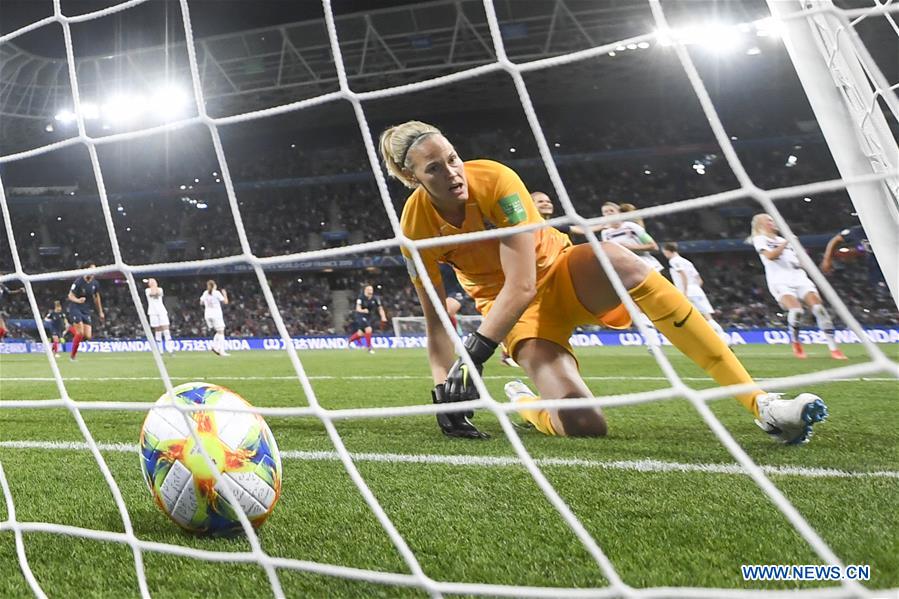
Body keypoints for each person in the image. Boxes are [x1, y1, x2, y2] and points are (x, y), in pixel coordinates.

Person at [381, 120, 827, 444]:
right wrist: (444, 390)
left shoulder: (496, 179)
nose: (452, 173)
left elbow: (523, 282)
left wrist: (475, 355)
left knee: (621, 260)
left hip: (560, 272)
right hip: (516, 317)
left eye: (452, 158)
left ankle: (761, 404)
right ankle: (524, 401)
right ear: (410, 178)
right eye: (434, 169)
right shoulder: (415, 230)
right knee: (584, 424)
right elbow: (436, 320)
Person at [750, 213, 847, 360]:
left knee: (819, 309)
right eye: (769, 220)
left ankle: (834, 349)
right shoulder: (760, 239)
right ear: (761, 225)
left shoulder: (784, 240)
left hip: (799, 278)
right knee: (797, 311)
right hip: (779, 280)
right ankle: (796, 342)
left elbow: (799, 261)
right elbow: (770, 256)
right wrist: (786, 243)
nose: (773, 222)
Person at [600, 201, 664, 347]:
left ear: (618, 213)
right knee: (634, 306)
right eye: (605, 212)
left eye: (611, 211)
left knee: (657, 303)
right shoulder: (606, 233)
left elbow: (653, 246)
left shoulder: (631, 227)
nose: (608, 214)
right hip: (628, 273)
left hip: (648, 267)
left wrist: (631, 248)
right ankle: (652, 341)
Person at [661, 242, 730, 346]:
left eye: (664, 252)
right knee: (707, 317)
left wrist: (684, 292)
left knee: (683, 316)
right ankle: (722, 337)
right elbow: (699, 279)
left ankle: (685, 339)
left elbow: (682, 274)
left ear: (667, 251)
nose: (664, 254)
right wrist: (695, 289)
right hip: (697, 290)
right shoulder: (687, 262)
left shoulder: (674, 261)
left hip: (687, 291)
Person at [66, 263, 104, 361]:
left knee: (87, 336)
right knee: (80, 333)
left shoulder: (95, 284)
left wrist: (100, 312)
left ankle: (70, 328)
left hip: (86, 310)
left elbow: (97, 298)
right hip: (75, 308)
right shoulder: (78, 281)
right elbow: (70, 296)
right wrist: (78, 300)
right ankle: (72, 357)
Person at [347, 284, 387, 354]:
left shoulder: (375, 298)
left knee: (360, 333)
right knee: (368, 329)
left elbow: (380, 308)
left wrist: (383, 317)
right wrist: (363, 310)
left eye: (371, 289)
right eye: (369, 289)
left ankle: (349, 341)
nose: (370, 291)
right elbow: (357, 309)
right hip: (360, 315)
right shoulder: (361, 298)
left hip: (368, 316)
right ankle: (369, 348)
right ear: (365, 290)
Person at [145, 278, 175, 355]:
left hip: (162, 311)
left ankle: (170, 350)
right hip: (152, 312)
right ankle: (160, 351)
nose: (152, 283)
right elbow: (152, 294)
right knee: (157, 331)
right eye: (151, 282)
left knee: (166, 330)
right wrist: (152, 286)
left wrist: (154, 286)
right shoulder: (147, 290)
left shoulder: (160, 289)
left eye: (153, 281)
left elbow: (157, 293)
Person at [200, 279, 229, 356]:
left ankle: (214, 346)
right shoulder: (216, 293)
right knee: (221, 332)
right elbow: (225, 302)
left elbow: (201, 302)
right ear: (214, 285)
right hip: (216, 314)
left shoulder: (205, 293)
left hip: (207, 315)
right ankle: (221, 351)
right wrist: (225, 294)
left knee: (218, 332)